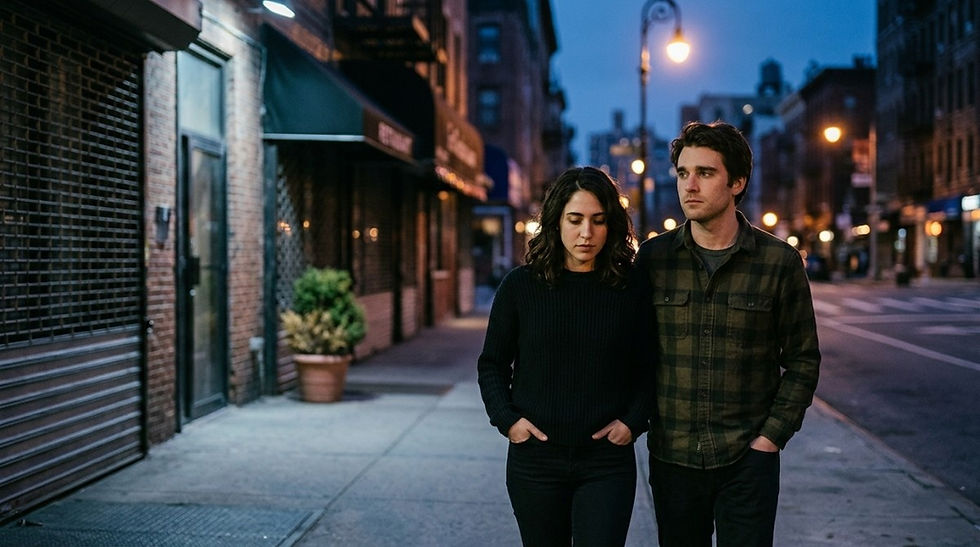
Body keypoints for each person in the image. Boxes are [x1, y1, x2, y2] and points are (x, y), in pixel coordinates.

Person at [636, 121, 821, 547]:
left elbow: (802, 359)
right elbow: (630, 350)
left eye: (705, 173)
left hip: (746, 459)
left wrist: (771, 437)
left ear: (737, 182)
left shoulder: (778, 262)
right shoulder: (654, 259)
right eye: (683, 173)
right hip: (673, 458)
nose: (690, 186)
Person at [477, 166, 653, 546]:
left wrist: (632, 422)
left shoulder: (630, 288)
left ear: (612, 226)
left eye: (598, 220)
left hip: (606, 462)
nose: (586, 233)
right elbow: (492, 364)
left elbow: (649, 367)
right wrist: (508, 421)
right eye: (575, 220)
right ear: (556, 222)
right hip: (535, 461)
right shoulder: (521, 286)